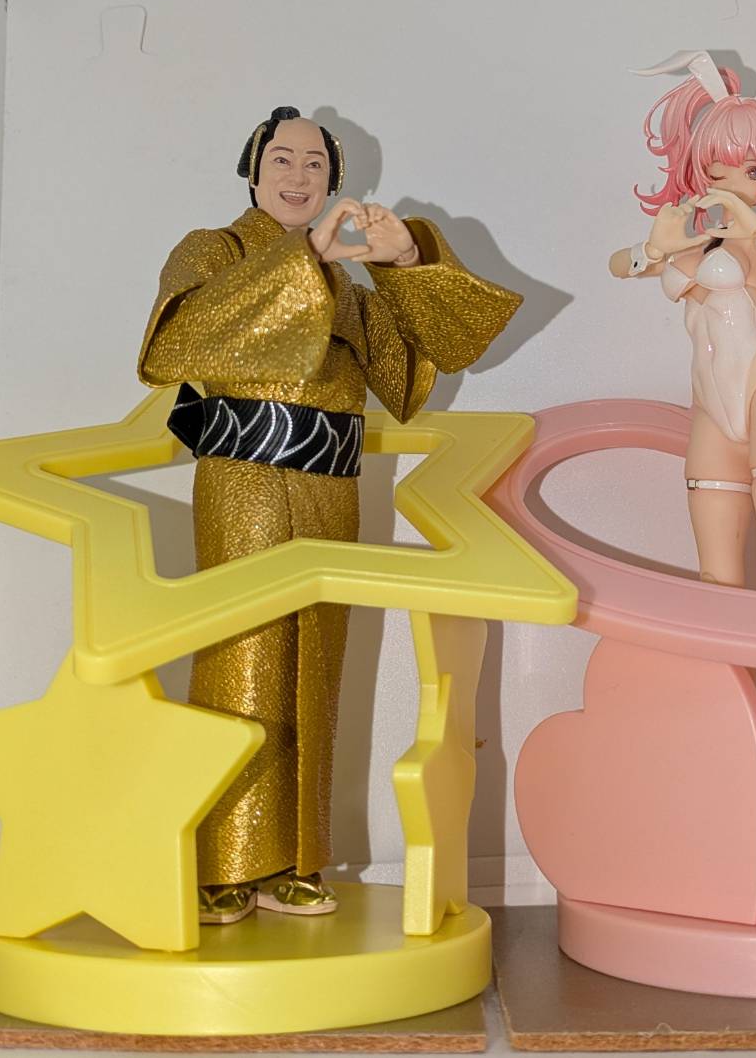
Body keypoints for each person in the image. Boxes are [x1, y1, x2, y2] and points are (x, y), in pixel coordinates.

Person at [138, 106, 522, 923]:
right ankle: (223, 864)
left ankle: (297, 859)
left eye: (315, 164)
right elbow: (177, 344)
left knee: (317, 662)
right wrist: (304, 260)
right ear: (252, 171)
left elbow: (416, 372)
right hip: (243, 475)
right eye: (282, 158)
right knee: (243, 655)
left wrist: (406, 258)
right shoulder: (213, 249)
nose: (298, 175)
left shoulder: (344, 283)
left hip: (331, 483)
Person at [609, 8, 756, 899]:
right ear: (697, 157)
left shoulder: (753, 230)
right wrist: (657, 243)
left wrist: (750, 218)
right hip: (712, 409)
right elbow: (630, 266)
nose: (736, 176)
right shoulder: (688, 224)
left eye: (754, 166)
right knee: (717, 601)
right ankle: (727, 803)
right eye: (724, 161)